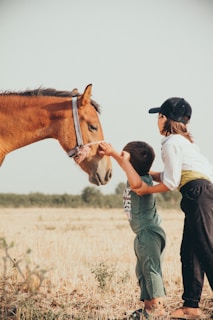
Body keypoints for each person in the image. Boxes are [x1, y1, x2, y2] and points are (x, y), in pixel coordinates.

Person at [117, 98, 213, 319]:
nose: (157, 121)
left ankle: (191, 304)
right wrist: (145, 174)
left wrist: (145, 190)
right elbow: (174, 174)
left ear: (166, 119)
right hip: (199, 194)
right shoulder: (185, 143)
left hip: (198, 196)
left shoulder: (170, 143)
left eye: (159, 116)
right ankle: (191, 306)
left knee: (207, 252)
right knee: (189, 252)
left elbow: (170, 183)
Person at [99, 141, 166, 319]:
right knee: (143, 271)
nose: (123, 161)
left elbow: (136, 184)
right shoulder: (137, 175)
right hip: (143, 234)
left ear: (131, 162)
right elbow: (127, 168)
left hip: (149, 233)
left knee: (151, 270)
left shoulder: (141, 180)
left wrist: (118, 156)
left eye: (126, 158)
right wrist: (113, 154)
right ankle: (148, 307)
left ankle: (157, 307)